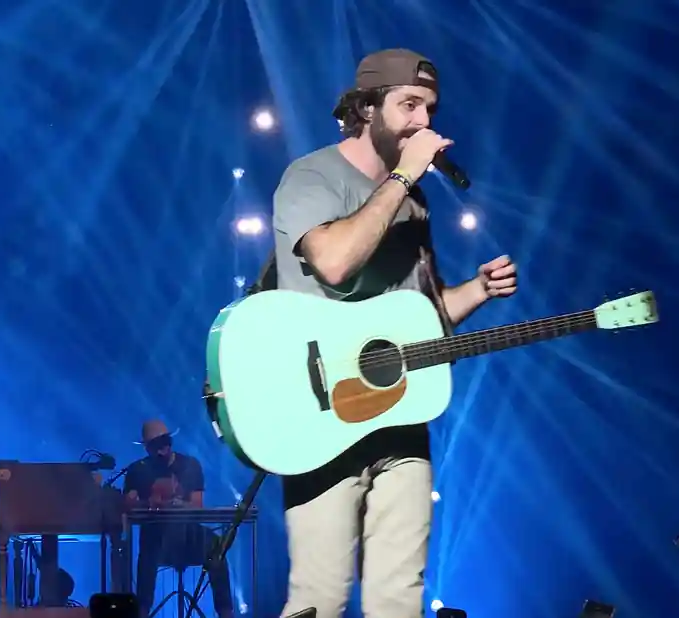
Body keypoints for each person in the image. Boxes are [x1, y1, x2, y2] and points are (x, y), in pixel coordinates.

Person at [271, 48, 518, 618]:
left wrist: (476, 291)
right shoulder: (311, 176)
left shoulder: (416, 204)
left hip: (401, 421)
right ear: (365, 108)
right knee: (321, 598)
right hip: (322, 422)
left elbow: (423, 324)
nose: (422, 123)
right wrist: (405, 174)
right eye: (408, 105)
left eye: (429, 109)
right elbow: (334, 263)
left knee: (398, 599)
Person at [122, 420, 234, 618]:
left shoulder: (190, 465)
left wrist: (178, 505)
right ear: (147, 448)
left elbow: (198, 505)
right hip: (156, 538)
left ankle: (226, 613)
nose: (162, 449)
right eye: (155, 446)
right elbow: (128, 504)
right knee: (148, 551)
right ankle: (141, 611)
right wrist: (148, 502)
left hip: (189, 536)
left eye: (165, 443)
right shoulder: (137, 470)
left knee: (217, 546)